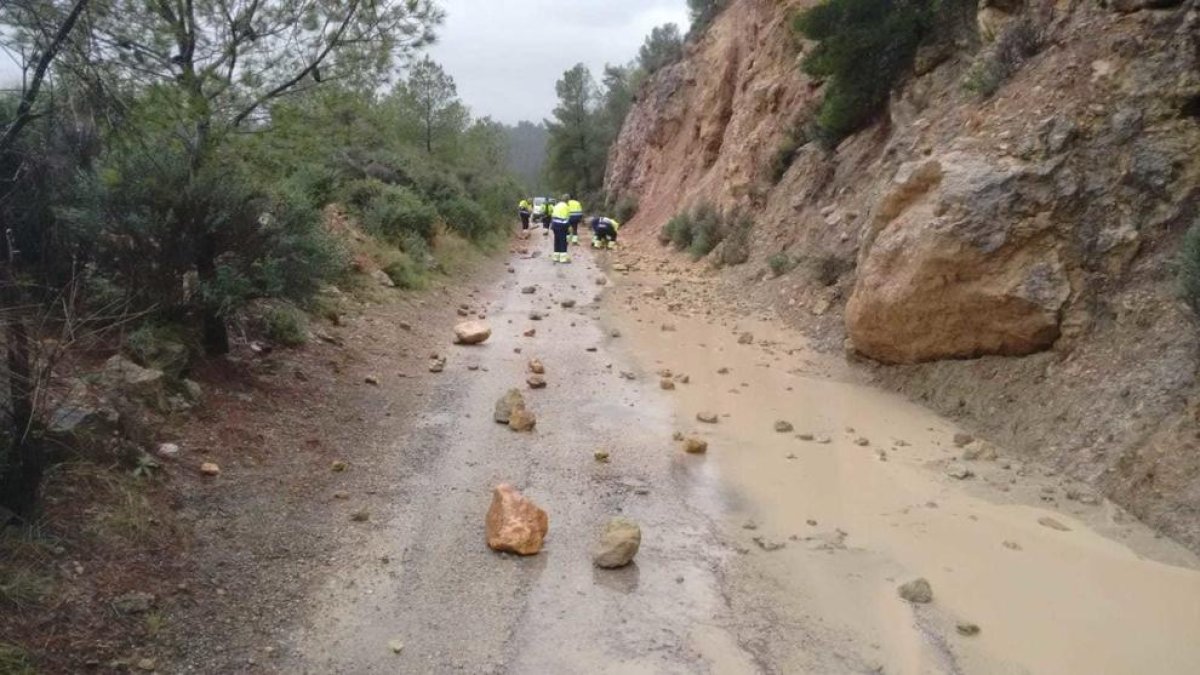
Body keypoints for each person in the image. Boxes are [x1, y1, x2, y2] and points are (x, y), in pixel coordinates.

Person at [550, 197, 572, 263]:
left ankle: (556, 258)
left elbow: (552, 215)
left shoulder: (556, 205)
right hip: (562, 225)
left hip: (555, 224)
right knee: (563, 241)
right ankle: (563, 259)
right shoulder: (566, 207)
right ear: (567, 200)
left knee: (557, 240)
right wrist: (569, 227)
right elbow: (568, 218)